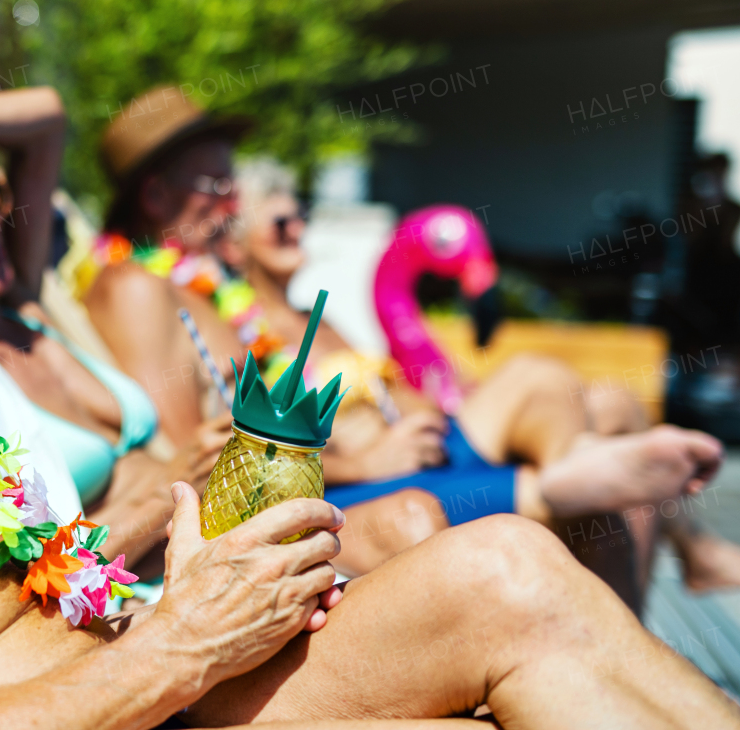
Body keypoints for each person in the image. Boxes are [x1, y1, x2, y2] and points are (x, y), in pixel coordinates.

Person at [0, 0, 740, 730]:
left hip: (130, 671)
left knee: (502, 567)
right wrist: (179, 645)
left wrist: (170, 600)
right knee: (508, 594)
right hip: (137, 693)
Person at [79, 86, 724, 584]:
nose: (232, 205)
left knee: (582, 421)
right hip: (333, 489)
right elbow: (194, 459)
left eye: (233, 186)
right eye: (215, 187)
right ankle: (566, 484)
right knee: (596, 481)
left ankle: (587, 507)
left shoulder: (216, 293)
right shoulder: (136, 287)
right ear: (157, 197)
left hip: (383, 459)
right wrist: (363, 461)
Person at [228, 163, 740, 589]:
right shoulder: (236, 332)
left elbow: (391, 388)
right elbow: (246, 459)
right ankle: (652, 532)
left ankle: (599, 490)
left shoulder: (322, 322)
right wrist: (363, 460)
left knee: (615, 402)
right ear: (235, 243)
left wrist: (432, 398)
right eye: (280, 222)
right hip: (371, 479)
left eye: (301, 215)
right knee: (546, 396)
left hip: (426, 442)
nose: (297, 227)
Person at [0, 87, 230, 568]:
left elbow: (48, 116)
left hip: (211, 541)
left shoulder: (25, 302)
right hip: (142, 599)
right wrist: (175, 487)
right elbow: (47, 569)